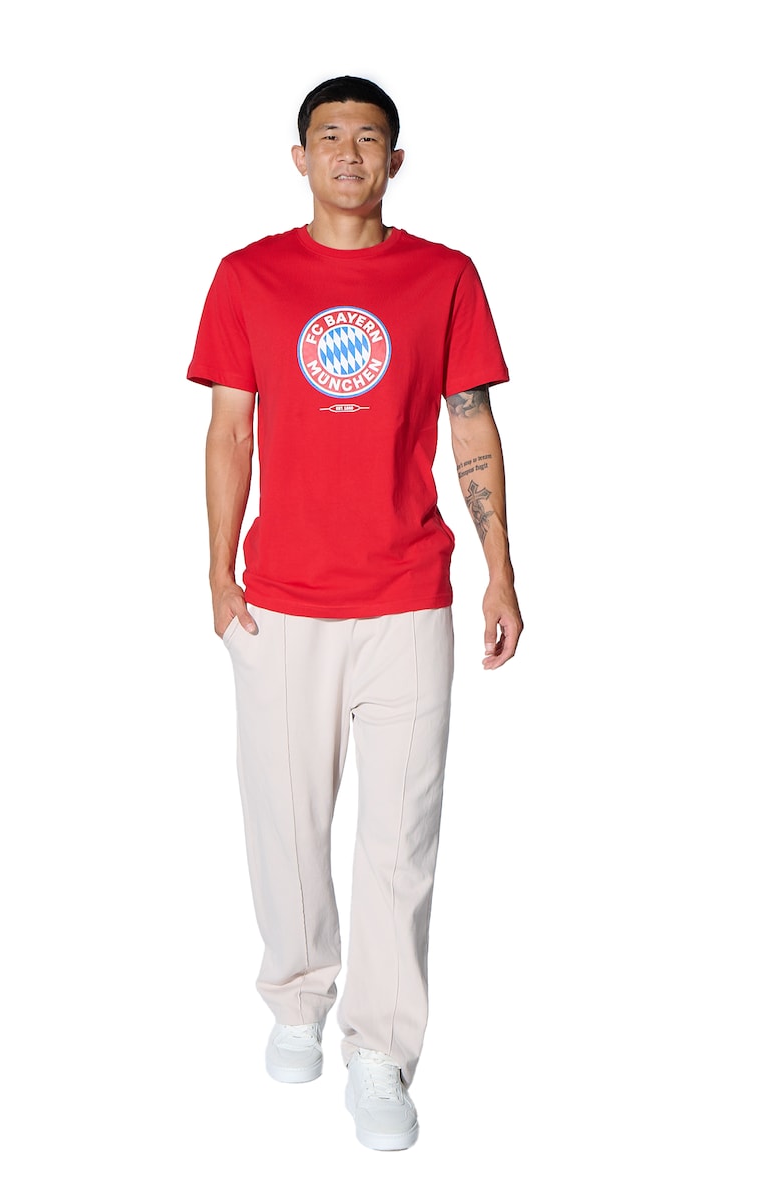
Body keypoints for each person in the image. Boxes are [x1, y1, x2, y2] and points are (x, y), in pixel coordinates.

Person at [187, 75, 522, 1151]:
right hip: (282, 602)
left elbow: (472, 426)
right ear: (300, 158)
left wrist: (501, 571)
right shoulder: (249, 277)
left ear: (395, 160)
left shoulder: (444, 277)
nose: (347, 152)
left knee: (400, 837)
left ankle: (381, 1050)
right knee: (285, 821)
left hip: (408, 597)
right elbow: (230, 429)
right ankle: (297, 997)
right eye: (328, 136)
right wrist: (218, 571)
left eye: (368, 137)